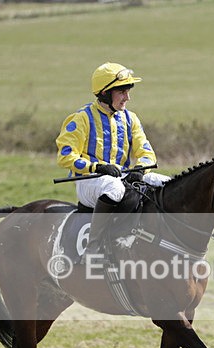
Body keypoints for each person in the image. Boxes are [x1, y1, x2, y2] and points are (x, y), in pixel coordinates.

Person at [55, 62, 170, 258]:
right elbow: (66, 156)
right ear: (105, 93)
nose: (128, 97)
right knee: (115, 188)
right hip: (89, 181)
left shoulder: (131, 119)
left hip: (122, 177)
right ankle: (93, 245)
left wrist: (140, 169)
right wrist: (98, 166)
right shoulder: (81, 119)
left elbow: (146, 151)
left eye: (128, 91)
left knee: (169, 184)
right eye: (122, 92)